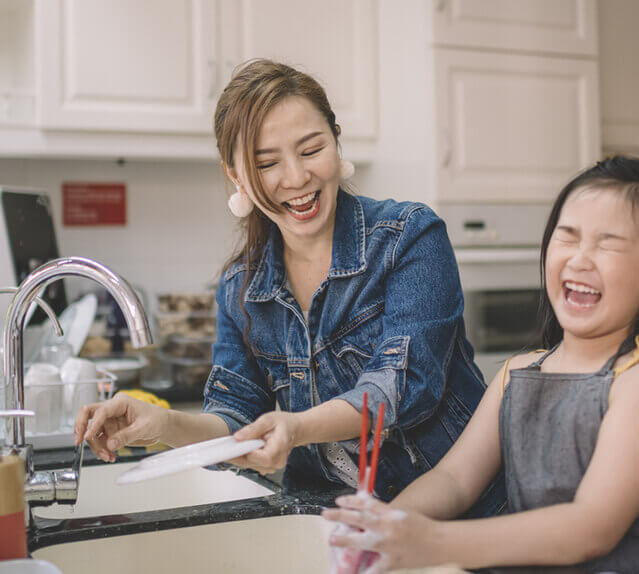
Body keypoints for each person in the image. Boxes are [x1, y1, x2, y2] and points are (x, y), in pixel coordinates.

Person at [74, 59, 503, 515]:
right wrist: (164, 424)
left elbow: (398, 386)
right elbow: (235, 418)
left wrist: (295, 428)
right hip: (338, 525)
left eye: (311, 149)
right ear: (236, 175)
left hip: (462, 518)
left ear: (336, 142)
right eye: (266, 163)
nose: (296, 178)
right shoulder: (241, 287)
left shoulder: (409, 237)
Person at [324, 156, 639, 573]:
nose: (580, 259)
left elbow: (591, 527)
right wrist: (386, 525)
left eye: (607, 243)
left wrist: (433, 542)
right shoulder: (517, 374)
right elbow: (455, 481)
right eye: (567, 237)